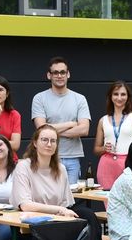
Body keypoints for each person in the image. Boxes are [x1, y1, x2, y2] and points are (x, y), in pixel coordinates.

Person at [13, 125, 119, 240]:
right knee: (83, 222)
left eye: (53, 141)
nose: (49, 144)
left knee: (89, 216)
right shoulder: (24, 167)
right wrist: (57, 210)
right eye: (44, 140)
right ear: (35, 143)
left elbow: (66, 204)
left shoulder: (60, 168)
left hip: (58, 222)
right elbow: (25, 205)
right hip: (33, 226)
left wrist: (60, 211)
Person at [32, 56, 91, 185]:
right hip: (47, 156)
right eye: (55, 72)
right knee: (48, 194)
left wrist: (51, 130)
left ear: (68, 74)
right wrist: (70, 124)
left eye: (62, 72)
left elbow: (84, 129)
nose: (59, 76)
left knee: (71, 195)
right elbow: (41, 129)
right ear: (49, 75)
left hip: (73, 158)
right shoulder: (39, 98)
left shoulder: (79, 99)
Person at [94, 81, 132, 190]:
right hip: (106, 164)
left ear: (128, 97)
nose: (119, 98)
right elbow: (96, 149)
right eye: (116, 94)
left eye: (123, 94)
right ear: (110, 96)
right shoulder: (103, 120)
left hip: (128, 164)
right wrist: (104, 149)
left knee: (129, 196)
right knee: (106, 197)